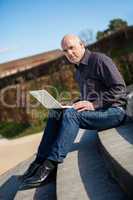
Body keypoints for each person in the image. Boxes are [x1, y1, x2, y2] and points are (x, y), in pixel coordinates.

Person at [19, 34, 127, 190]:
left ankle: (50, 165)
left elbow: (120, 89)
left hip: (115, 111)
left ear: (82, 45)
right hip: (99, 112)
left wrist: (93, 104)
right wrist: (72, 104)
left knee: (72, 115)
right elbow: (88, 97)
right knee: (57, 112)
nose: (69, 53)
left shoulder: (99, 60)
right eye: (65, 50)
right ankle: (39, 161)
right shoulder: (78, 70)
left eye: (71, 47)